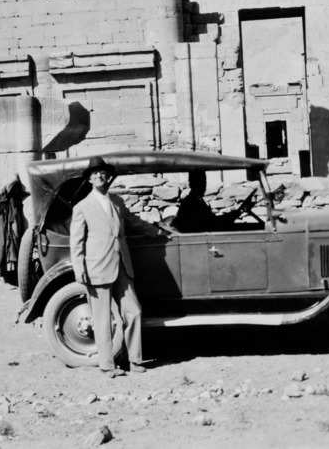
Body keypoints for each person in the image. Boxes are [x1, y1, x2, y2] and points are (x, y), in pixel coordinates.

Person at [69, 156, 163, 377]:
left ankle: (135, 361)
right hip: (97, 268)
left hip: (122, 265)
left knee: (134, 311)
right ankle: (107, 366)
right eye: (94, 174)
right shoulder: (82, 207)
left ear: (108, 176)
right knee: (101, 319)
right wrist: (79, 268)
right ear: (90, 179)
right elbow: (76, 242)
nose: (99, 176)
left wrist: (158, 230)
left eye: (102, 173)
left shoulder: (117, 202)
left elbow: (133, 222)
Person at [173, 171, 241, 233]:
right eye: (201, 182)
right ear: (192, 184)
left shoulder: (197, 200)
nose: (204, 186)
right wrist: (230, 216)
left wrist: (231, 215)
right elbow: (210, 223)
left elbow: (211, 221)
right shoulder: (191, 203)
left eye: (204, 182)